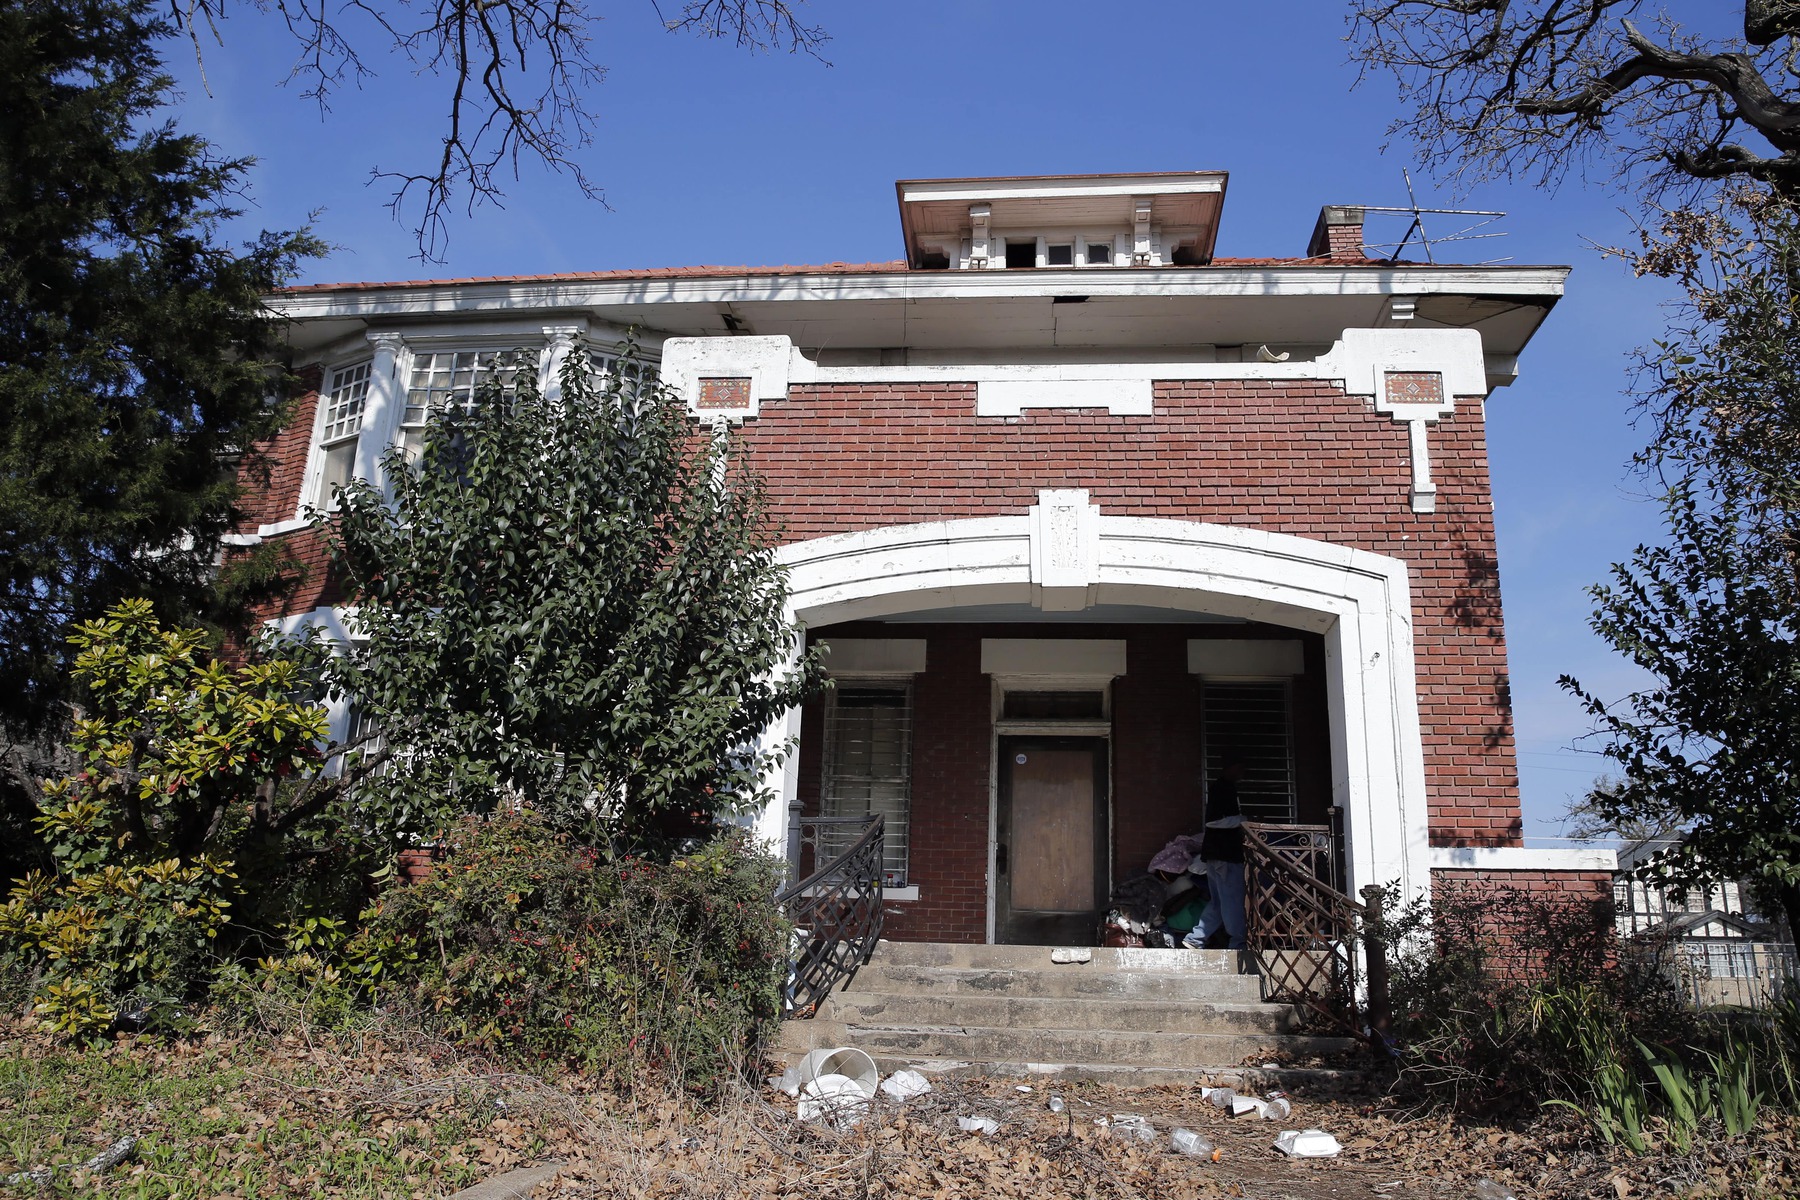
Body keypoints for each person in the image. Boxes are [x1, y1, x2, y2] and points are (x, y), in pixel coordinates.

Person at [1183, 757, 1247, 951]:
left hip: (1215, 855)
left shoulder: (1221, 788)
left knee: (1219, 902)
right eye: (1240, 767)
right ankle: (1238, 943)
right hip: (1225, 855)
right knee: (1232, 901)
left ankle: (1195, 938)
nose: (1243, 772)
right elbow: (1213, 821)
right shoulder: (1223, 789)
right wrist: (1244, 820)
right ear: (1231, 767)